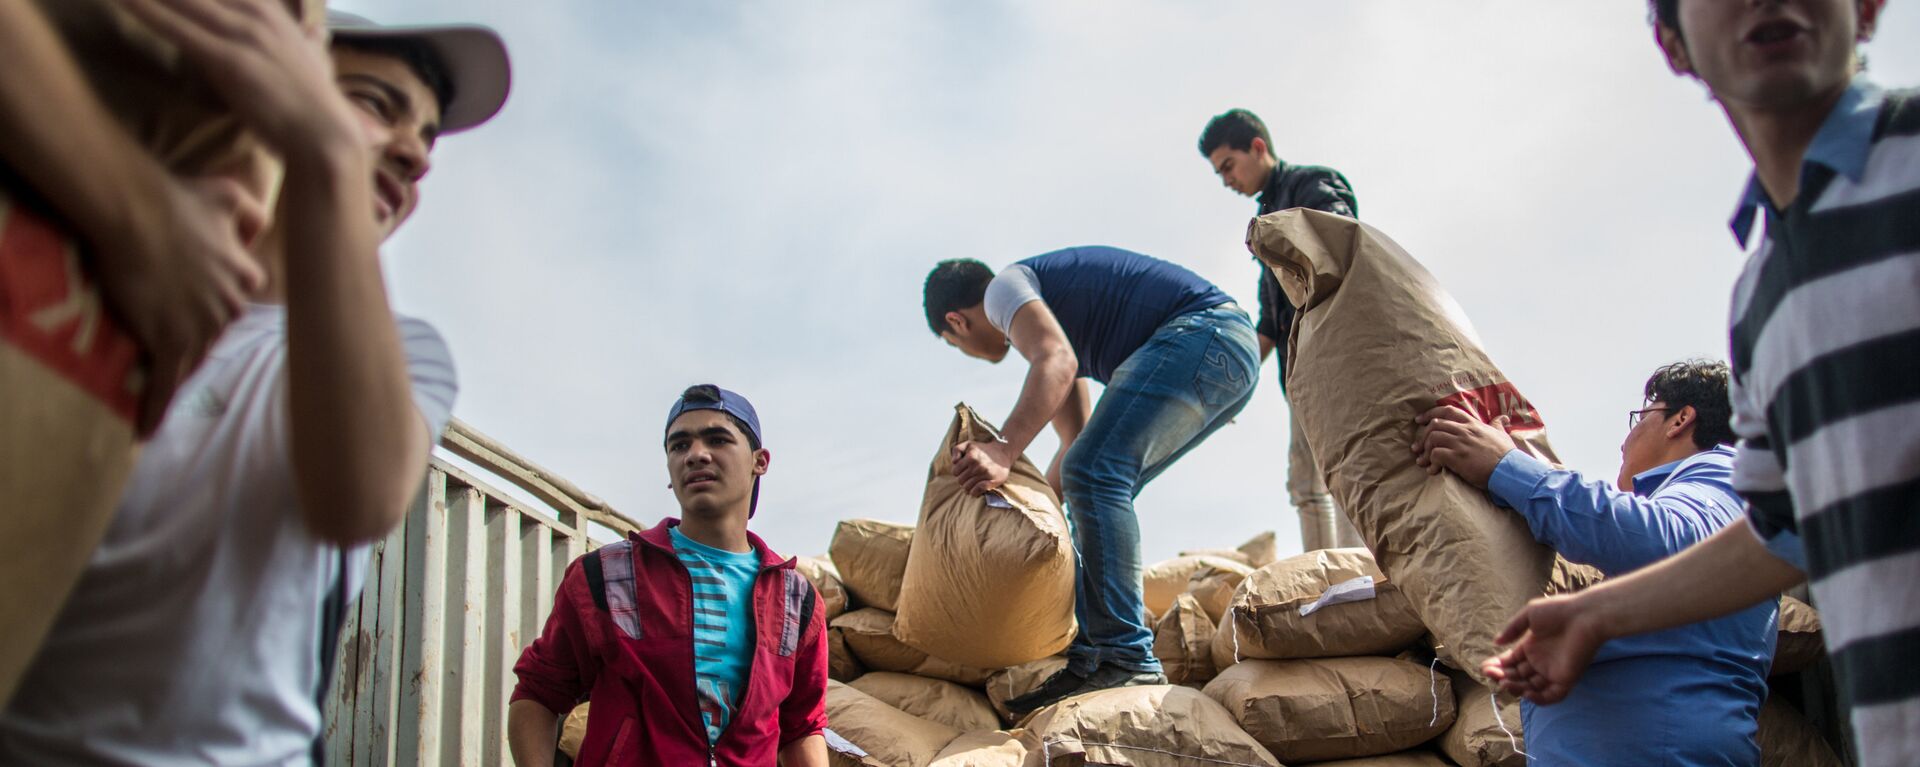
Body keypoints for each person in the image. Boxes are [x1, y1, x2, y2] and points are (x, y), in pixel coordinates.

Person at [0, 5, 512, 763]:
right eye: (376, 105)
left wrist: (330, 149)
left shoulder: (407, 353)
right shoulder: (79, 274)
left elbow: (357, 497)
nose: (416, 155)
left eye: (428, 136)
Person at [1484, 2, 1918, 764]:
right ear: (1675, 45)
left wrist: (1504, 465)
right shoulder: (1763, 295)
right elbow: (1784, 533)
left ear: (1871, 8)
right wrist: (1596, 613)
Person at [921, 247, 1259, 713]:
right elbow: (1074, 446)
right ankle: (1095, 658)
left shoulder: (1003, 290)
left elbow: (1055, 362)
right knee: (1096, 481)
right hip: (1224, 353)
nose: (966, 352)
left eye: (953, 343)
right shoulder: (1053, 329)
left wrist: (1003, 449)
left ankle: (1124, 655)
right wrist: (1025, 518)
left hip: (1205, 334)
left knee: (1096, 474)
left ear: (956, 322)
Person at [1415, 360, 1775, 765]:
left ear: (1680, 420)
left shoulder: (1722, 475)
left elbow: (1670, 542)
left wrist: (1508, 469)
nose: (1625, 443)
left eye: (1641, 418)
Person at [508, 385, 830, 767]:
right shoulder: (606, 576)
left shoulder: (796, 599)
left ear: (760, 461)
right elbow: (538, 694)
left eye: (717, 438)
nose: (695, 454)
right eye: (679, 446)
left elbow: (802, 729)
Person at [1198, 108, 1364, 551]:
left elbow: (1340, 249)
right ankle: (1323, 579)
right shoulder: (1265, 216)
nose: (1227, 181)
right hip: (1298, 377)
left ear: (1257, 147)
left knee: (1345, 472)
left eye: (1228, 167)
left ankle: (1363, 579)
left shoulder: (1312, 185)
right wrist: (1230, 386)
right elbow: (1270, 322)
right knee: (1305, 484)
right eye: (1219, 174)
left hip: (1332, 358)